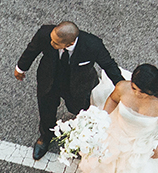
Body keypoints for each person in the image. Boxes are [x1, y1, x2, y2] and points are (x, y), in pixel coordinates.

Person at [14, 21, 122, 160]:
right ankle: (46, 136)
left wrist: (120, 86)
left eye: (56, 43)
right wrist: (21, 68)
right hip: (49, 79)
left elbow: (109, 65)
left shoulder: (92, 45)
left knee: (80, 111)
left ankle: (78, 140)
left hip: (79, 84)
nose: (51, 43)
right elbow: (32, 50)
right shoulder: (45, 34)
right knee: (46, 108)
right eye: (51, 40)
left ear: (70, 43)